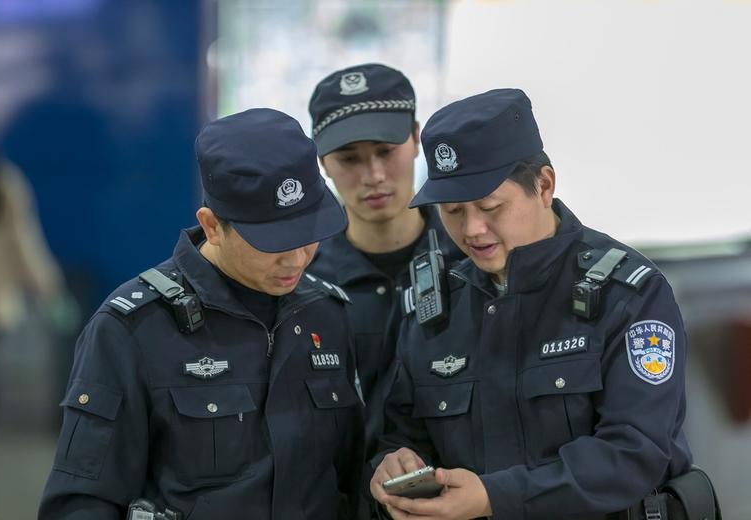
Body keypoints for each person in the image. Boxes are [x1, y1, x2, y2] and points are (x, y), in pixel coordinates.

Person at [369, 89, 693, 519]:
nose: (473, 230)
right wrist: (393, 464)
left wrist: (493, 498)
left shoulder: (628, 295)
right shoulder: (433, 308)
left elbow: (635, 452)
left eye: (489, 207)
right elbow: (400, 432)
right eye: (452, 212)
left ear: (543, 185)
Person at [39, 108, 364, 519]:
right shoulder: (132, 329)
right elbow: (81, 502)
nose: (298, 259)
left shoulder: (327, 314)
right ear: (211, 225)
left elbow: (350, 479)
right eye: (274, 242)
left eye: (309, 234)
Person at [307, 63, 464, 452]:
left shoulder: (472, 260)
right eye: (349, 158)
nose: (373, 175)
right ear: (322, 161)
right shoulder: (302, 280)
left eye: (385, 151)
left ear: (416, 139)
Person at [0, 124, 65, 473]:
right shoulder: (1, 184)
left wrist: (48, 287)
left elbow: (22, 244)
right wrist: (50, 289)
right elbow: (24, 244)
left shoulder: (2, 186)